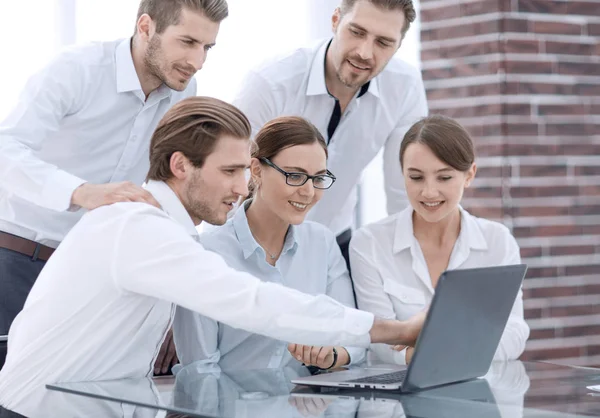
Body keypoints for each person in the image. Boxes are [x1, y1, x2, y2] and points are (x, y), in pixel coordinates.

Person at [0, 97, 425, 418]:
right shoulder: (139, 229)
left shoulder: (156, 229)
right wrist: (394, 329)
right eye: (229, 172)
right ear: (181, 165)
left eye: (244, 171)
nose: (242, 188)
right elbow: (252, 302)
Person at [0, 0, 227, 372]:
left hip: (91, 274)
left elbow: (164, 193)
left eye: (207, 48)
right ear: (145, 27)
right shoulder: (77, 70)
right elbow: (5, 149)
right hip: (18, 258)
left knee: (71, 396)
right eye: (186, 42)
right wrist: (81, 191)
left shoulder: (185, 91)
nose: (197, 61)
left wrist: (172, 299)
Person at [233, 0, 428, 268]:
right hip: (259, 242)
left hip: (335, 241)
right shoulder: (270, 82)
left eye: (383, 43)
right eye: (357, 32)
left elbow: (404, 190)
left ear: (398, 45)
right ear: (336, 20)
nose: (364, 53)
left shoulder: (405, 87)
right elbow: (236, 176)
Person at [174, 116, 365, 371]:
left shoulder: (322, 243)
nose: (308, 192)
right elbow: (199, 368)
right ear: (256, 170)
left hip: (309, 406)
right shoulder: (207, 254)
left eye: (318, 178)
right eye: (295, 176)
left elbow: (354, 336)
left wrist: (332, 354)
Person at [349, 115, 530, 365]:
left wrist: (439, 351)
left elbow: (514, 332)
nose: (429, 192)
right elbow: (378, 339)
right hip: (395, 397)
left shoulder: (498, 241)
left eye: (444, 178)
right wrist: (464, 342)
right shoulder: (369, 243)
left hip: (477, 392)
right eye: (416, 177)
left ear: (469, 175)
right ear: (402, 174)